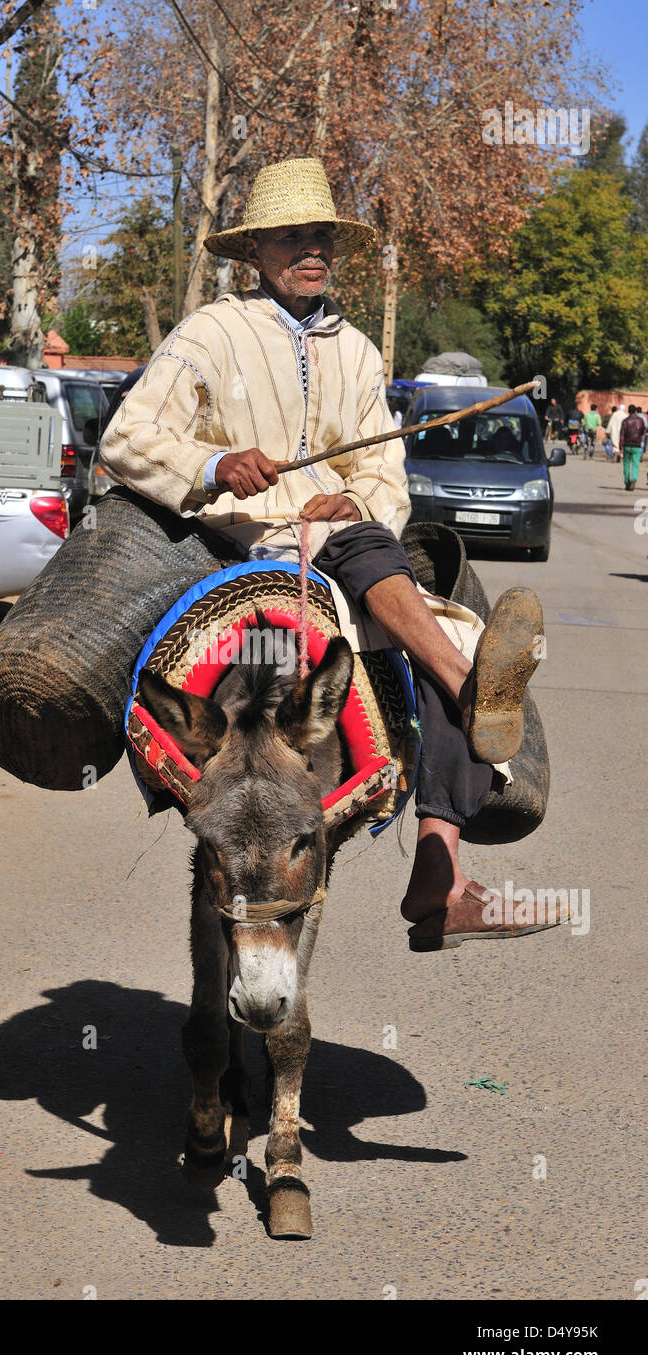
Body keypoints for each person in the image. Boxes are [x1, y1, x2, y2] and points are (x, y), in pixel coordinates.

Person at [101, 157, 566, 949]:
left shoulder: (354, 348)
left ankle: (438, 873)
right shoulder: (210, 332)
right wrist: (216, 466)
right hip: (240, 529)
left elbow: (383, 471)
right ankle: (468, 687)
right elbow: (126, 438)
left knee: (435, 622)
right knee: (443, 648)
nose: (311, 249)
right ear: (254, 253)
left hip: (343, 538)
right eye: (292, 236)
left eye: (321, 236)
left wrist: (357, 499)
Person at [619, 403, 645, 490]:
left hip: (627, 445)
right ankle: (633, 478)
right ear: (635, 411)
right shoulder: (640, 420)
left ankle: (627, 482)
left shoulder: (625, 421)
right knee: (635, 464)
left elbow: (622, 435)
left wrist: (620, 447)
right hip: (637, 445)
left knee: (626, 464)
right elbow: (642, 432)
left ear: (628, 411)